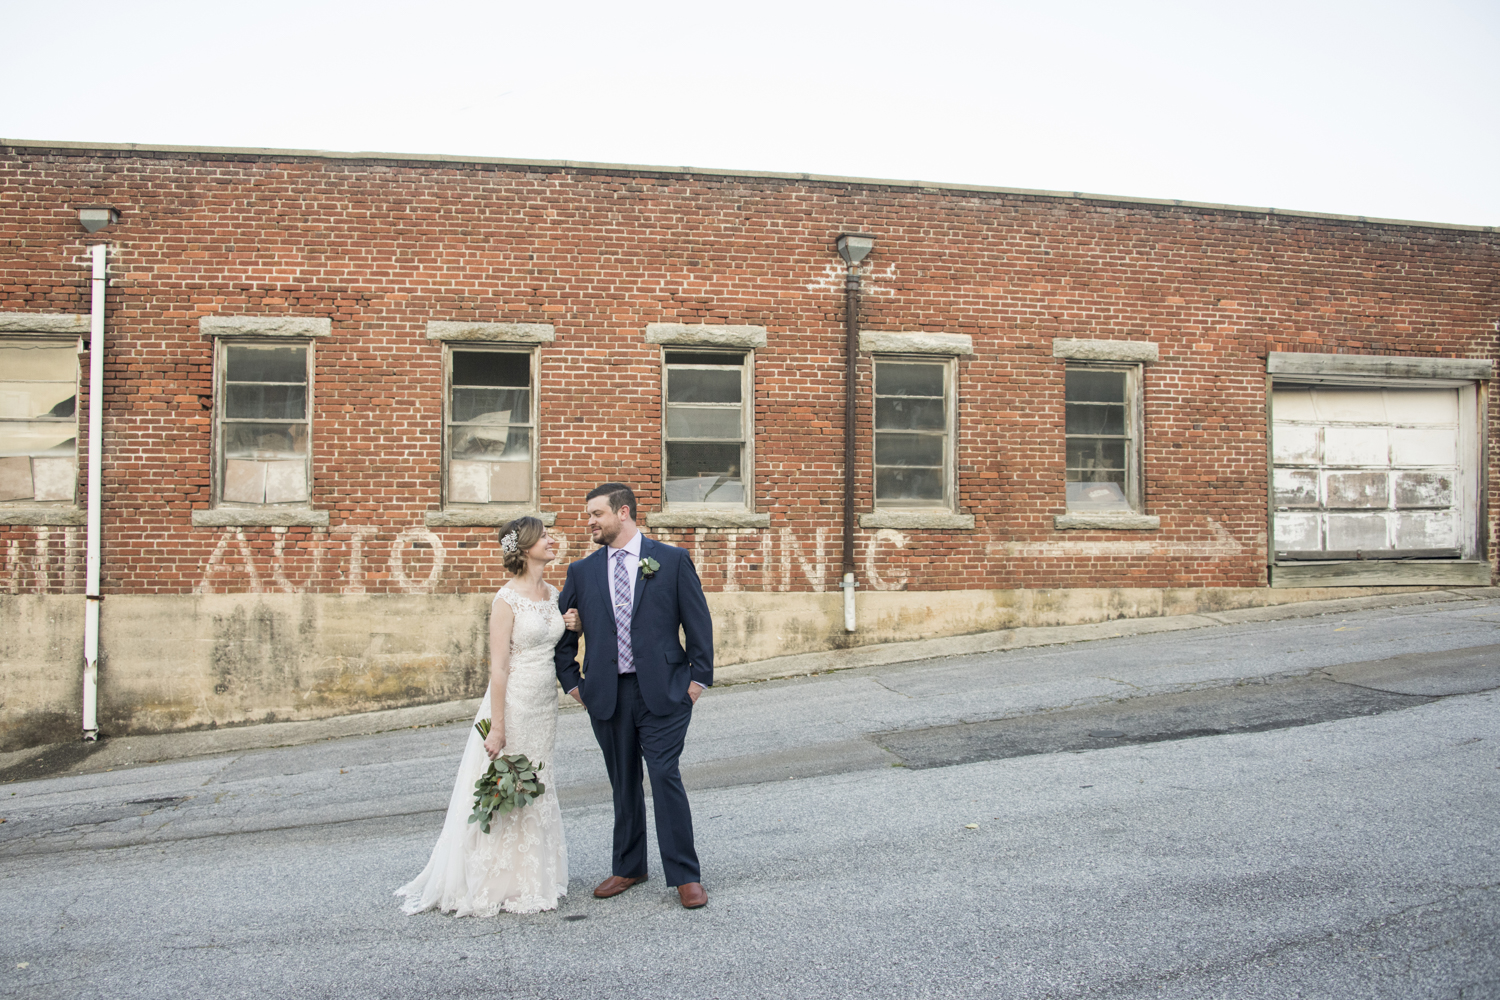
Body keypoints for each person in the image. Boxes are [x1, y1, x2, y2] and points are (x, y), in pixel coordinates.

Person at [396, 516, 573, 917]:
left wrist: (569, 621)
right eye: (543, 536)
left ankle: (531, 874)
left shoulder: (553, 594)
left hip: (545, 705)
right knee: (507, 785)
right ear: (526, 548)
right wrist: (498, 727)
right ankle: (497, 879)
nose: (551, 540)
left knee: (537, 781)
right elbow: (498, 669)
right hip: (512, 703)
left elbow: (556, 635)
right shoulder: (505, 600)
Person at [555, 483, 714, 909]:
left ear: (623, 512)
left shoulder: (671, 560)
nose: (589, 521)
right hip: (607, 693)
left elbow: (698, 624)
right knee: (622, 782)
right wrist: (573, 682)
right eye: (588, 515)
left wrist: (698, 682)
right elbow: (561, 633)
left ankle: (685, 874)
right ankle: (629, 866)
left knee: (664, 776)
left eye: (596, 513)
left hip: (665, 691)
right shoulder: (582, 572)